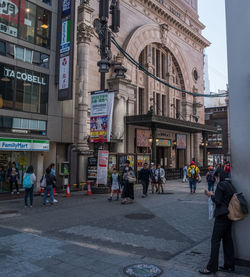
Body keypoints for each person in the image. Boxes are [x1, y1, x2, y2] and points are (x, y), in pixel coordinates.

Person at [199, 170, 236, 275]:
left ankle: (211, 267)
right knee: (228, 241)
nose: (215, 180)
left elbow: (218, 201)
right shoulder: (229, 184)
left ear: (218, 176)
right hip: (229, 216)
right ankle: (229, 265)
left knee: (215, 241)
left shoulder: (221, 185)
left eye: (215, 178)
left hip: (221, 216)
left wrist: (210, 195)